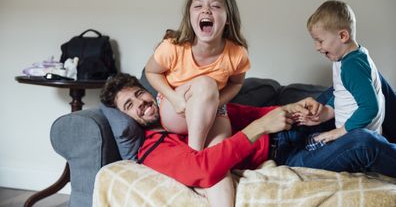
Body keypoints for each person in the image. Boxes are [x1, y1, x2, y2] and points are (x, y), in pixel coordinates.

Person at [100, 73, 396, 199]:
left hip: (293, 126)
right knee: (364, 143)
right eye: (130, 106)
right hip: (287, 154)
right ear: (127, 118)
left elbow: (239, 114)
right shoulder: (154, 146)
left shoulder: (183, 106)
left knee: (368, 80)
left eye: (140, 94)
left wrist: (291, 109)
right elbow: (200, 168)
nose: (141, 103)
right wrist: (261, 129)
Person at [144, 0, 250, 206]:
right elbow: (151, 72)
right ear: (190, 16)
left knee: (218, 163)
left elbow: (237, 84)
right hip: (175, 107)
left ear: (228, 18)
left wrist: (216, 101)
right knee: (205, 83)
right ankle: (193, 160)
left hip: (214, 109)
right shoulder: (173, 46)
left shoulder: (236, 53)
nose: (206, 10)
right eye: (198, 5)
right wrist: (173, 98)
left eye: (215, 6)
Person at [298, 0, 385, 147]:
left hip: (356, 142)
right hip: (348, 135)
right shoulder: (342, 59)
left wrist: (337, 132)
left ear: (343, 36)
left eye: (320, 41)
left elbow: (370, 107)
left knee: (308, 148)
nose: (317, 47)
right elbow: (343, 92)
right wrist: (326, 113)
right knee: (309, 141)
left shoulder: (352, 66)